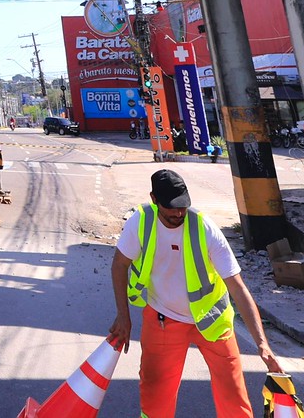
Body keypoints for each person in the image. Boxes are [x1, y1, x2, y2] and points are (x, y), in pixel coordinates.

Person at [109, 169, 279, 418]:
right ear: (154, 199)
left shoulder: (204, 228)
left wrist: (262, 344)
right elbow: (119, 264)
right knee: (155, 395)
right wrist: (123, 316)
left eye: (182, 206)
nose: (178, 213)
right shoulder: (141, 221)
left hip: (212, 319)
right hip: (163, 319)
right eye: (171, 208)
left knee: (233, 395)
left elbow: (237, 287)